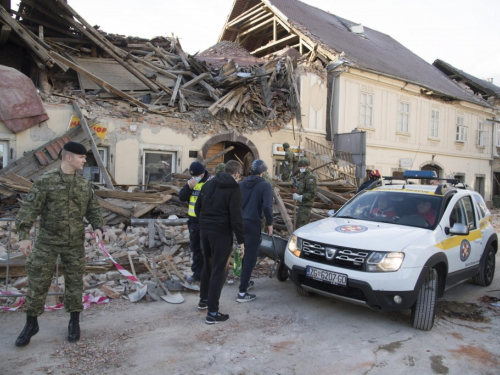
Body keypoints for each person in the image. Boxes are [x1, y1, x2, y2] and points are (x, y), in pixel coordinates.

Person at [14, 142, 103, 347]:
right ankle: (31, 324)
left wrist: (98, 226)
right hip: (48, 243)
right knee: (38, 283)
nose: (84, 160)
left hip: (74, 244)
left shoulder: (83, 185)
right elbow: (29, 208)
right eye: (81, 157)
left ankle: (74, 322)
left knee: (74, 284)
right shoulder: (46, 181)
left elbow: (93, 208)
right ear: (68, 158)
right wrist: (23, 236)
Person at [195, 160, 245, 324]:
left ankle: (203, 300)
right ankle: (213, 312)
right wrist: (241, 241)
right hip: (221, 233)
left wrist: (205, 223)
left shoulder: (208, 185)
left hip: (205, 231)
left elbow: (197, 208)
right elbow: (236, 217)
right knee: (219, 270)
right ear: (237, 174)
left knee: (207, 265)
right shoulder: (234, 188)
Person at [237, 160, 273, 303]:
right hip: (253, 224)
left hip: (240, 223)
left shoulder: (241, 184)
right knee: (250, 257)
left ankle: (243, 281)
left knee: (241, 252)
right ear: (262, 172)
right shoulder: (265, 185)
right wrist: (270, 224)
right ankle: (241, 293)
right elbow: (267, 208)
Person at [179, 161, 211, 283]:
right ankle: (197, 274)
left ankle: (208, 274)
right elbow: (182, 197)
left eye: (197, 176)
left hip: (206, 222)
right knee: (196, 249)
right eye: (193, 176)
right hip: (193, 222)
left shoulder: (210, 182)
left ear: (202, 173)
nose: (194, 178)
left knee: (207, 250)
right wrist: (188, 187)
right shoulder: (191, 182)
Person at [293, 157, 317, 229]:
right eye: (300, 166)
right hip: (302, 205)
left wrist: (300, 197)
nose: (302, 168)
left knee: (301, 226)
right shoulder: (303, 176)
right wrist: (298, 185)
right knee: (298, 224)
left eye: (304, 166)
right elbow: (303, 188)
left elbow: (311, 193)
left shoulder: (310, 177)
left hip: (306, 205)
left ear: (307, 166)